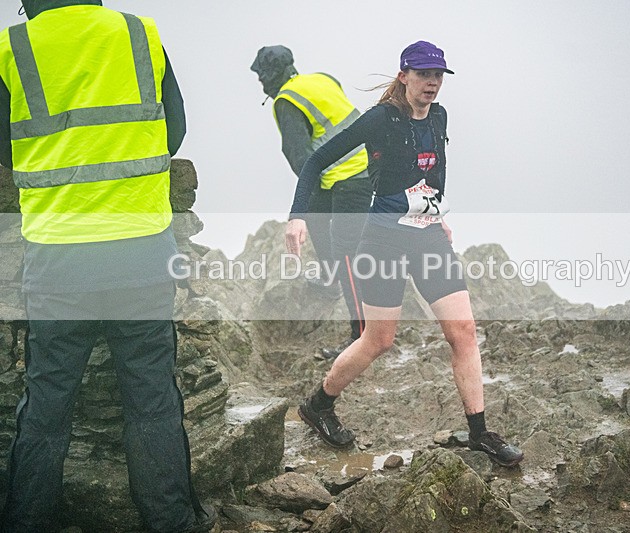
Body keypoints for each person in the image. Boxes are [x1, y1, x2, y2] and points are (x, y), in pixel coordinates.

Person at [0, 1, 215, 531]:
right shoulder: (139, 33)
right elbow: (175, 130)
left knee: (47, 401)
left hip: (58, 255)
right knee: (151, 398)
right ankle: (171, 521)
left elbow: (6, 152)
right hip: (141, 248)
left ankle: (26, 521)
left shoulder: (12, 47)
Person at [285, 41, 524, 467]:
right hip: (382, 238)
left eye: (438, 76)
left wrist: (438, 207)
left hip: (427, 234)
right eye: (424, 74)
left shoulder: (439, 115)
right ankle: (319, 404)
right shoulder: (380, 119)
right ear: (404, 75)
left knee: (463, 330)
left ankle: (479, 433)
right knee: (378, 340)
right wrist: (298, 216)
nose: (432, 83)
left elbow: (437, 166)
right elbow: (314, 162)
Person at [251, 45, 373, 359]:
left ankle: (363, 336)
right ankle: (331, 278)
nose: (260, 82)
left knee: (347, 255)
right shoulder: (321, 79)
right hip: (366, 163)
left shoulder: (286, 101)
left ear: (270, 76)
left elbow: (301, 159)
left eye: (260, 75)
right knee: (319, 219)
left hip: (351, 178)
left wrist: (299, 209)